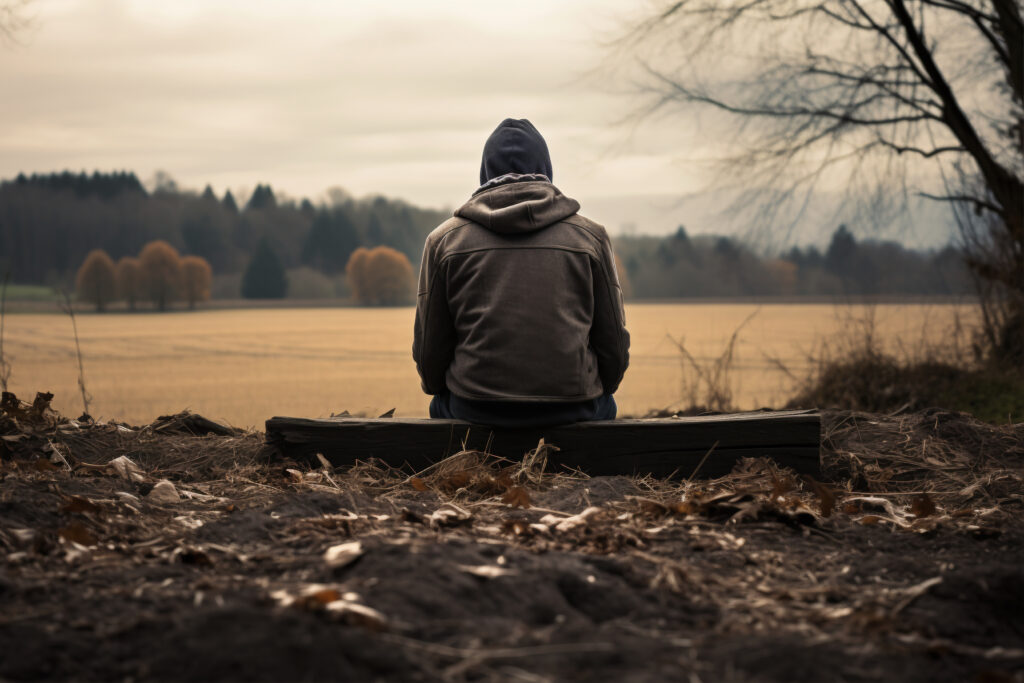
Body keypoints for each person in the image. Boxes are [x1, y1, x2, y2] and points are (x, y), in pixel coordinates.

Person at [412, 118, 630, 427]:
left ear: (485, 173)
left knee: (439, 404)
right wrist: (596, 387)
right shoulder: (591, 238)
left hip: (474, 409)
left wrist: (444, 387)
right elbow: (613, 348)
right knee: (607, 403)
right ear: (546, 170)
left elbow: (430, 354)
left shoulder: (444, 241)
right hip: (574, 409)